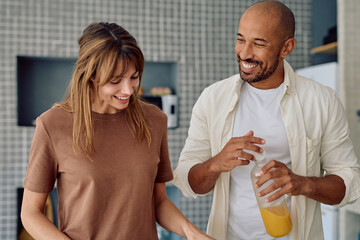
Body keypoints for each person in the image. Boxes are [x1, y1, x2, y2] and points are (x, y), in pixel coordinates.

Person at [172, 1, 360, 240]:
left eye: (258, 43)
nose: (245, 53)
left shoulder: (322, 100)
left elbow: (349, 182)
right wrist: (215, 164)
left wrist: (302, 183)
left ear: (286, 47)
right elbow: (189, 181)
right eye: (241, 39)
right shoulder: (213, 98)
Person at [21, 22, 214, 240]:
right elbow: (30, 213)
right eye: (116, 80)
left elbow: (158, 201)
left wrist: (193, 233)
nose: (128, 90)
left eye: (134, 76)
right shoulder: (52, 125)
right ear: (91, 76)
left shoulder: (154, 120)